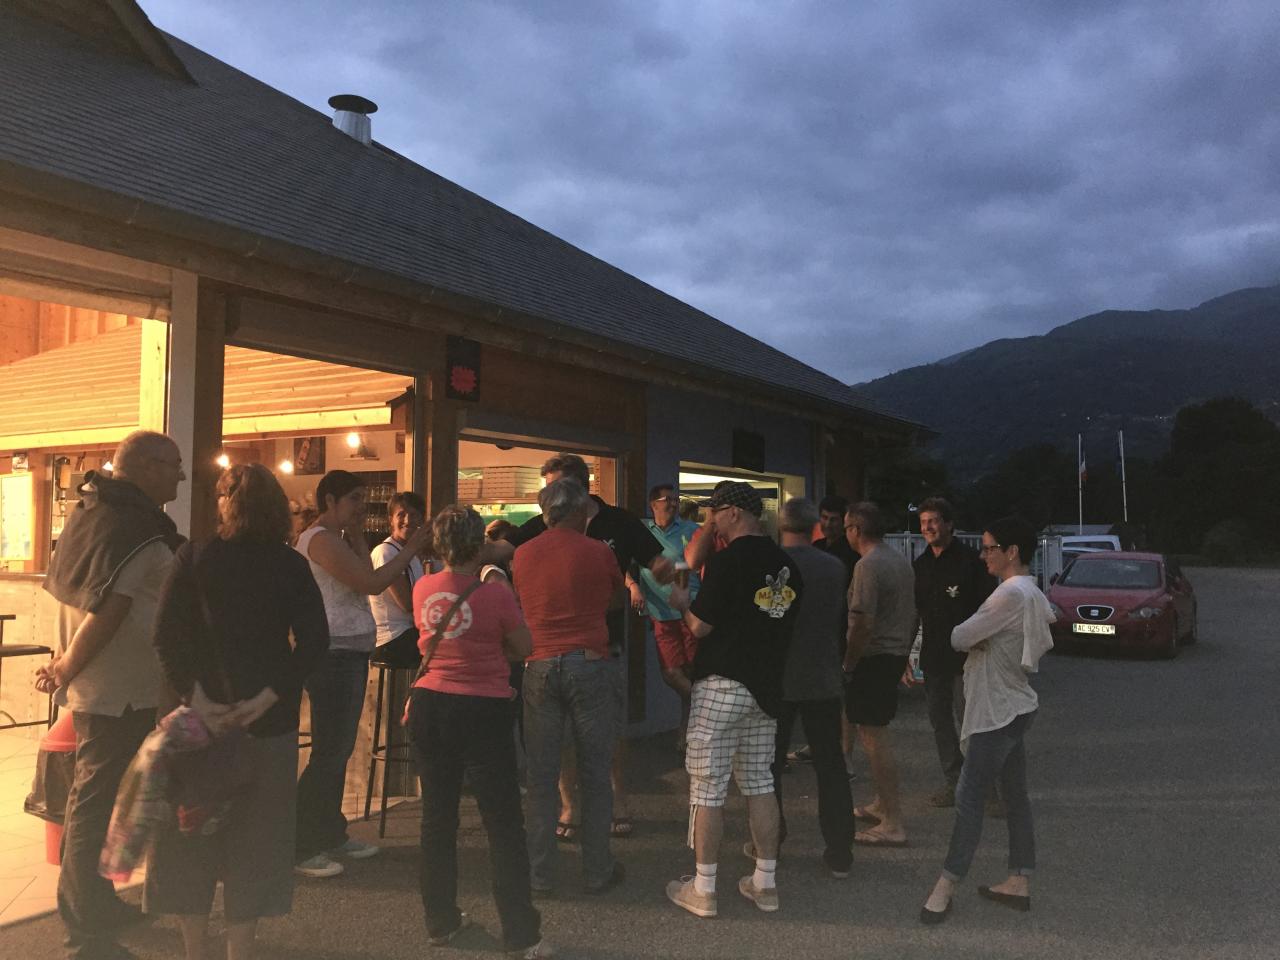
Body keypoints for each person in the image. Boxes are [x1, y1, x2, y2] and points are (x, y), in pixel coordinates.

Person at [145, 464, 329, 960]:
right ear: (276, 508)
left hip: (194, 724)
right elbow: (315, 641)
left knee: (189, 839)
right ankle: (240, 952)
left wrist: (195, 696)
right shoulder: (290, 566)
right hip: (265, 723)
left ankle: (192, 951)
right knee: (257, 841)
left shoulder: (194, 555)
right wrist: (270, 695)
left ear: (224, 503)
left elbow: (165, 636)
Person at [38, 430, 186, 960]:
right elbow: (109, 612)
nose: (182, 476)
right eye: (174, 465)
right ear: (145, 467)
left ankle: (98, 904)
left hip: (99, 685)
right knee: (95, 806)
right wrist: (64, 666)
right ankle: (85, 935)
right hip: (119, 688)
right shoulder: (139, 530)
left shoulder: (88, 513)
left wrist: (66, 669)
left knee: (100, 802)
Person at [494, 454, 671, 839]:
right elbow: (500, 553)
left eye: (554, 486)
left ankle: (617, 798)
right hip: (549, 645)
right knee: (560, 734)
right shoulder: (542, 524)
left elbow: (658, 563)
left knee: (610, 727)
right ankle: (570, 805)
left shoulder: (619, 522)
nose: (548, 498)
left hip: (606, 642)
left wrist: (685, 582)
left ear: (579, 486)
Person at [408, 505, 551, 958]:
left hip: (431, 703)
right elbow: (523, 645)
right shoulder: (495, 592)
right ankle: (519, 932)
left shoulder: (423, 587)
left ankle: (441, 920)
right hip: (483, 706)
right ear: (480, 544)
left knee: (437, 817)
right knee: (503, 822)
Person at [664, 482, 802, 919]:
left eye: (716, 513)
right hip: (766, 688)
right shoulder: (787, 565)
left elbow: (701, 628)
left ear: (734, 514)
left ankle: (703, 888)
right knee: (760, 783)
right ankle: (766, 882)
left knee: (708, 788)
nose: (712, 521)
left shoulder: (727, 562)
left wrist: (683, 604)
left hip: (722, 684)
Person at [293, 470, 431, 878]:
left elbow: (358, 572)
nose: (360, 508)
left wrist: (354, 535)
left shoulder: (336, 538)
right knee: (330, 750)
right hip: (332, 652)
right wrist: (411, 550)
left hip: (349, 651)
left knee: (339, 748)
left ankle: (330, 832)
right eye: (354, 500)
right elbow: (370, 583)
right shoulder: (318, 540)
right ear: (330, 500)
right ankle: (302, 843)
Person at [920, 516, 1053, 924]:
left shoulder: (1009, 595)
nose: (983, 555)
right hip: (1015, 706)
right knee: (1014, 796)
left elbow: (959, 637)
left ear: (1011, 552)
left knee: (969, 799)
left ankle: (945, 886)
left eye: (990, 547)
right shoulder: (1030, 591)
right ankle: (1019, 879)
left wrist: (977, 638)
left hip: (995, 711)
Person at [512, 479, 625, 895]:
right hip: (589, 661)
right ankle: (597, 871)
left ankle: (539, 875)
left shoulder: (523, 554)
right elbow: (614, 598)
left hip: (538, 663)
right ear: (579, 512)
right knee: (595, 773)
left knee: (542, 776)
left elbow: (523, 600)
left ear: (546, 513)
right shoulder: (598, 551)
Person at [772, 498, 854, 879]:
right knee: (830, 765)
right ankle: (840, 850)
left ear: (780, 524)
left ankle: (770, 838)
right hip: (822, 674)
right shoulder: (834, 567)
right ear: (814, 527)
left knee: (767, 765)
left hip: (778, 677)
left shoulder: (771, 565)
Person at [843, 501, 917, 848]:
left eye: (847, 528)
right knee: (871, 732)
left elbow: (862, 620)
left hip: (874, 657)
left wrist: (849, 662)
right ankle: (882, 803)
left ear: (856, 530)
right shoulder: (899, 560)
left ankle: (893, 822)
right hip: (893, 652)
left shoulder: (867, 566)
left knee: (874, 738)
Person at [913, 497, 995, 808]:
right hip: (934, 658)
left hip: (968, 660)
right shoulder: (920, 565)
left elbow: (989, 609)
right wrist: (906, 655)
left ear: (949, 524)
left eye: (933, 521)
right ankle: (954, 782)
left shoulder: (972, 563)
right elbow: (916, 612)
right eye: (923, 523)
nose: (927, 528)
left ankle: (986, 789)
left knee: (972, 725)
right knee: (941, 723)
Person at [789, 493, 859, 770]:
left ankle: (844, 755)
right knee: (814, 690)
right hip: (813, 628)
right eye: (825, 519)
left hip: (840, 628)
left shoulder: (851, 555)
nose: (829, 524)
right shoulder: (816, 547)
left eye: (835, 520)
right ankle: (815, 745)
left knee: (839, 694)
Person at [632, 483, 701, 745]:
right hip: (661, 613)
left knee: (692, 672)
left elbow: (692, 565)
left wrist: (683, 587)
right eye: (667, 499)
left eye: (675, 499)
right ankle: (709, 708)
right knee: (671, 673)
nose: (673, 503)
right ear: (653, 504)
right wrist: (633, 585)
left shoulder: (691, 530)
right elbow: (624, 558)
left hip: (690, 609)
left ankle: (686, 736)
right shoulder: (641, 530)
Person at [368, 491, 428, 669]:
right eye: (401, 514)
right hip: (393, 639)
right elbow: (407, 604)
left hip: (410, 633)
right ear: (391, 520)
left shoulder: (412, 555)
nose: (408, 521)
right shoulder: (385, 552)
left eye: (414, 515)